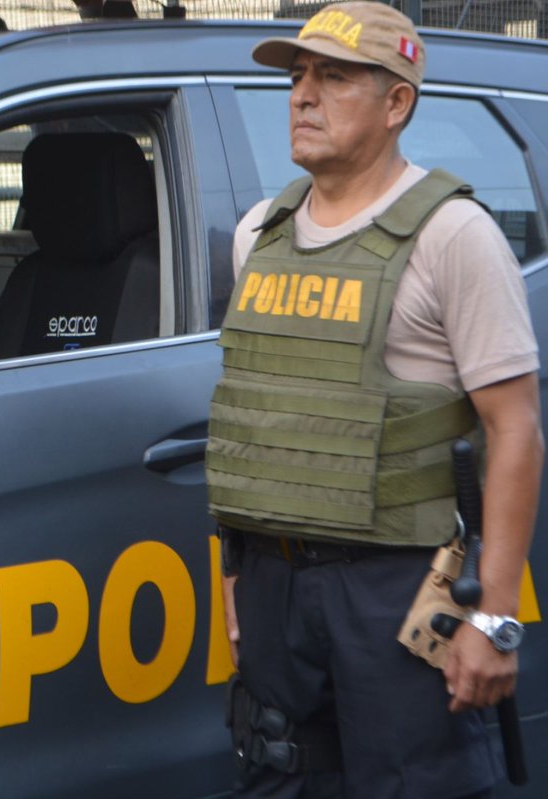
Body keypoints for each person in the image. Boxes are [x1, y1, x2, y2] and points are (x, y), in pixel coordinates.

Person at [206, 3, 543, 797]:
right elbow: (254, 415)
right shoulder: (260, 233)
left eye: (334, 77)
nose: (303, 95)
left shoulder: (453, 235)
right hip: (276, 584)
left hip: (397, 585)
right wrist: (235, 582)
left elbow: (516, 428)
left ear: (397, 103)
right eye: (298, 76)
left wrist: (494, 617)